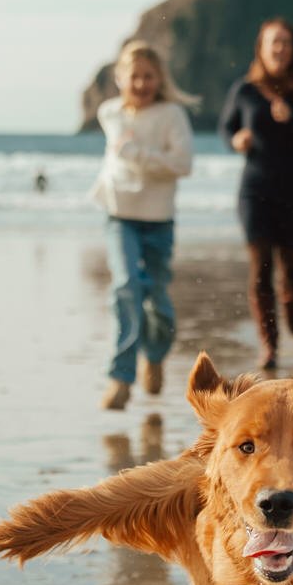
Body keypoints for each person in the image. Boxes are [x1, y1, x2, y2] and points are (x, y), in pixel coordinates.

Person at [219, 18, 293, 371]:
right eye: (274, 42)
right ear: (262, 48)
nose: (280, 49)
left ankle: (291, 296)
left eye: (286, 42)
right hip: (255, 189)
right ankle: (269, 346)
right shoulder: (245, 90)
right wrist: (236, 140)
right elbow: (227, 128)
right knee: (260, 270)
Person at [89, 41, 197, 410]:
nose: (141, 83)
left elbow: (182, 164)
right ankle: (120, 378)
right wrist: (141, 160)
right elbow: (120, 157)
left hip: (158, 220)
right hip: (119, 215)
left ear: (159, 78)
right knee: (126, 286)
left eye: (148, 76)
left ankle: (154, 355)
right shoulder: (110, 113)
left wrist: (137, 155)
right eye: (134, 76)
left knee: (159, 304)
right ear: (120, 78)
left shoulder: (172, 115)